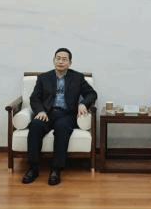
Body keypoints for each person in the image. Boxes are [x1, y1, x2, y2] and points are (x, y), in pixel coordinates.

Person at [23, 48, 97, 186]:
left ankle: (56, 169)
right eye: (58, 58)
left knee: (61, 128)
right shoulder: (43, 78)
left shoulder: (77, 77)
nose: (61, 62)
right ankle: (33, 168)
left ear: (70, 63)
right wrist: (40, 111)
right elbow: (34, 98)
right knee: (35, 126)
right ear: (53, 60)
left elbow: (92, 94)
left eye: (64, 59)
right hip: (47, 113)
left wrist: (83, 104)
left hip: (67, 114)